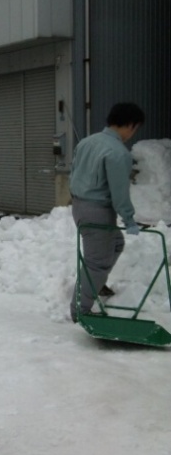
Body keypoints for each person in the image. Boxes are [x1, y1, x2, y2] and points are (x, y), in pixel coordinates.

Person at [68, 102, 145, 322]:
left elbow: (73, 173)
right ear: (129, 125)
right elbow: (119, 193)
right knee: (97, 262)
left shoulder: (86, 142)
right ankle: (80, 311)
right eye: (135, 128)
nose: (133, 133)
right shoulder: (118, 153)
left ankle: (95, 283)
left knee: (116, 244)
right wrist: (129, 219)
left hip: (80, 206)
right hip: (98, 211)